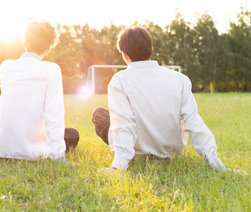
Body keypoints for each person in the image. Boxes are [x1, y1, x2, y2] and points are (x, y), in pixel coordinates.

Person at [92, 26, 226, 171]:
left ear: (124, 55)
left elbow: (123, 124)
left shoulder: (119, 81)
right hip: (171, 153)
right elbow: (194, 123)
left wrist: (118, 167)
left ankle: (127, 156)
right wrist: (215, 163)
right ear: (152, 48)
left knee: (99, 114)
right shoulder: (180, 79)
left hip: (137, 152)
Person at [0, 21, 79, 162]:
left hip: (2, 148)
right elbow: (53, 114)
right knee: (72, 134)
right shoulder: (51, 70)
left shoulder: (5, 67)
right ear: (48, 48)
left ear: (24, 42)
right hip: (33, 151)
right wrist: (58, 157)